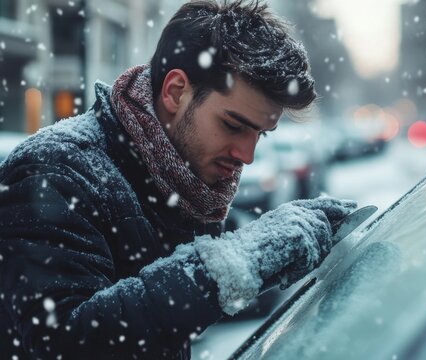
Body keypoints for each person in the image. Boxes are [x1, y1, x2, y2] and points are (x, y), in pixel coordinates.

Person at [0, 1, 357, 359]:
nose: (247, 156)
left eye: (261, 135)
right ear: (175, 92)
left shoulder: (178, 184)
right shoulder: (53, 172)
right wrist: (236, 262)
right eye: (233, 125)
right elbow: (67, 343)